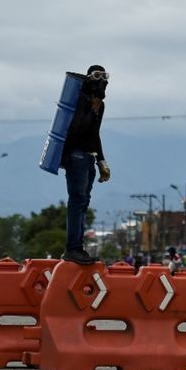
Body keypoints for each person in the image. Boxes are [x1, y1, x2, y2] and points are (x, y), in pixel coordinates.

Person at [60, 65, 110, 265]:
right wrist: (92, 111)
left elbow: (94, 134)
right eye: (98, 77)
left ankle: (78, 248)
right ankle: (72, 248)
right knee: (77, 201)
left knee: (84, 203)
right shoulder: (80, 100)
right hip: (76, 156)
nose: (102, 82)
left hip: (89, 157)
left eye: (104, 78)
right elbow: (77, 130)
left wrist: (101, 161)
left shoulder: (99, 105)